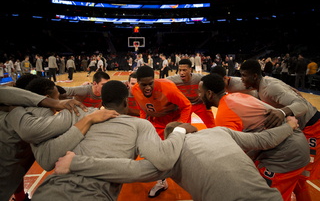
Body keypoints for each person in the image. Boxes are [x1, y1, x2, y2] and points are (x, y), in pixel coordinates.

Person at [52, 117, 300, 201]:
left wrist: (75, 162)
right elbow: (262, 140)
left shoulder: (171, 155)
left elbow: (131, 171)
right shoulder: (220, 131)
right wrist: (289, 125)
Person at [23, 80, 195, 201]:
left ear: (102, 101)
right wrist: (179, 130)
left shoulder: (77, 113)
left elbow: (42, 151)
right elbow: (164, 161)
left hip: (49, 189)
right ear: (126, 102)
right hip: (93, 195)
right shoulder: (140, 125)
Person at [199, 73, 309, 201]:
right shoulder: (238, 96)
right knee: (299, 187)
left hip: (285, 153)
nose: (198, 95)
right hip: (297, 145)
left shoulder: (224, 116)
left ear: (209, 94)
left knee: (260, 196)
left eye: (200, 92)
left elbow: (256, 143)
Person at [0, 85, 89, 201]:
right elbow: (46, 160)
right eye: (58, 98)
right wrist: (89, 119)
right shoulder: (40, 114)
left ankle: (20, 198)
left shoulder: (13, 107)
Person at [240, 59, 320, 182]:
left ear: (254, 76)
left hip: (313, 125)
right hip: (300, 126)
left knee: (303, 175)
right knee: (298, 175)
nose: (241, 79)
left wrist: (282, 112)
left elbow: (302, 105)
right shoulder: (263, 84)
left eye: (243, 75)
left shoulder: (270, 88)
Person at [132, 65, 192, 197]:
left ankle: (193, 179)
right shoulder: (135, 90)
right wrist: (143, 125)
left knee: (184, 152)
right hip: (157, 121)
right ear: (137, 83)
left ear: (155, 80)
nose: (148, 87)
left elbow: (187, 105)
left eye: (150, 84)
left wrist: (181, 126)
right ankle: (161, 182)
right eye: (144, 85)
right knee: (157, 154)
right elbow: (143, 109)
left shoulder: (168, 89)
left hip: (175, 119)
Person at [166, 59, 215, 128]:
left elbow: (215, 79)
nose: (181, 73)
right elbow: (159, 83)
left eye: (184, 70)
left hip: (200, 104)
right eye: (180, 70)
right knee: (183, 127)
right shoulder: (174, 79)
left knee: (212, 125)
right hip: (186, 106)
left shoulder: (199, 78)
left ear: (190, 69)